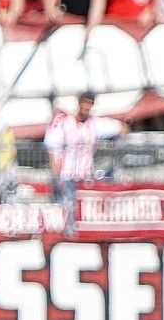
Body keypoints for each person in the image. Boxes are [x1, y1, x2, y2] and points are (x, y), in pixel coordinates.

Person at [44, 91, 114, 236]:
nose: (86, 107)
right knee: (66, 205)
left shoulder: (93, 123)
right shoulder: (64, 122)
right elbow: (52, 148)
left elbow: (118, 127)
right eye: (85, 103)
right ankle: (65, 234)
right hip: (67, 174)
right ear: (79, 103)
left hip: (85, 175)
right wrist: (57, 174)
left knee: (82, 207)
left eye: (90, 104)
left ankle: (80, 233)